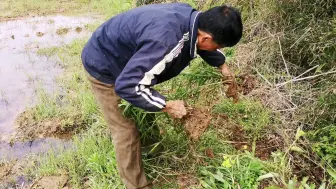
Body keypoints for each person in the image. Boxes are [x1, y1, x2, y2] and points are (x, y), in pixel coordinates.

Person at [81, 3, 242, 189]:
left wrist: (223, 66)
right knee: (126, 130)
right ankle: (137, 185)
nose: (215, 49)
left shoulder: (193, 21)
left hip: (127, 56)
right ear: (205, 38)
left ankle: (153, 151)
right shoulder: (166, 42)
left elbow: (199, 44)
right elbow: (127, 86)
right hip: (105, 64)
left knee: (145, 105)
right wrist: (167, 105)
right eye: (218, 46)